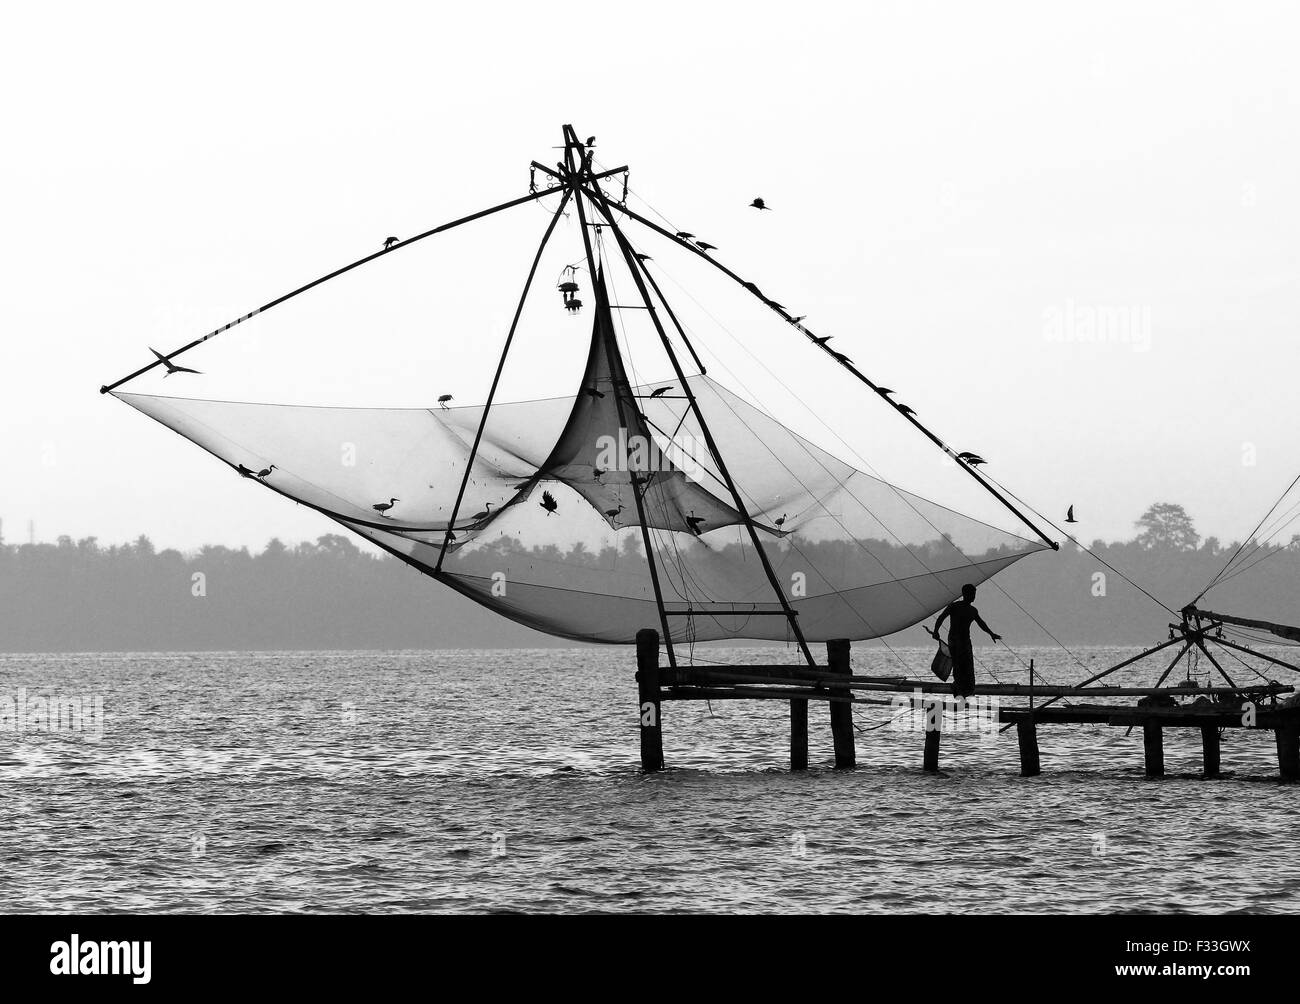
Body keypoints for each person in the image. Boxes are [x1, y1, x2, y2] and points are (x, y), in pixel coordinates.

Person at [932, 583, 1001, 697]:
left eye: (974, 594)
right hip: (954, 640)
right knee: (958, 664)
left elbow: (981, 623)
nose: (974, 596)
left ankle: (966, 688)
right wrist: (936, 631)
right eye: (972, 594)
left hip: (965, 641)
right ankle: (958, 687)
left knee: (968, 665)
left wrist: (991, 634)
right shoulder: (954, 606)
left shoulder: (973, 610)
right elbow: (941, 617)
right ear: (965, 594)